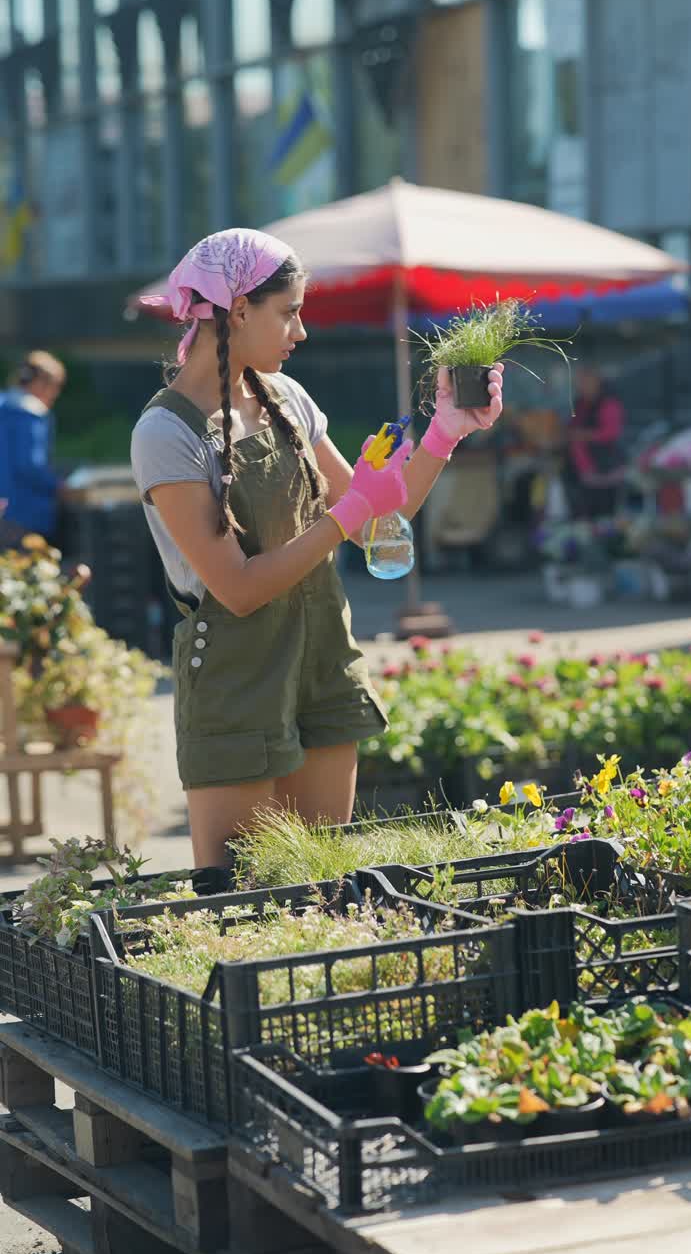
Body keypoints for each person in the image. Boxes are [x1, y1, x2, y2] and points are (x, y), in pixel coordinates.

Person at [130, 228, 504, 881]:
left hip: (320, 652)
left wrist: (446, 432)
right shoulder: (165, 432)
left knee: (324, 884)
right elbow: (240, 588)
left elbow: (378, 525)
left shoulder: (288, 400)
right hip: (235, 677)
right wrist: (350, 510)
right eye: (289, 312)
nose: (301, 332)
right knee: (243, 895)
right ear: (239, 308)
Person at [0, 350, 66, 548]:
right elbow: (30, 466)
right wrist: (59, 487)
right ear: (40, 383)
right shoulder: (30, 414)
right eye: (55, 386)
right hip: (23, 514)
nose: (56, 394)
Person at [565, 365, 626, 520]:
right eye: (580, 383)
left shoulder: (608, 403)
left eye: (585, 382)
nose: (581, 386)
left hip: (605, 470)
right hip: (583, 472)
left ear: (596, 381)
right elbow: (573, 427)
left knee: (605, 517)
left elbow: (611, 433)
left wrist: (583, 435)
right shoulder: (581, 403)